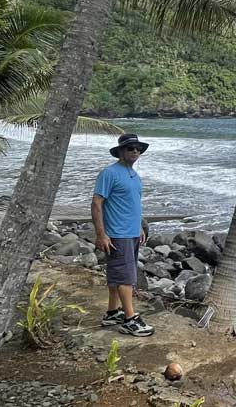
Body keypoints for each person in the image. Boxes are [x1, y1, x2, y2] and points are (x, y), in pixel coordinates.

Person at [91, 133, 155, 337]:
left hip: (131, 232)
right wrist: (101, 234)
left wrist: (140, 226)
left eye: (137, 148)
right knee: (126, 276)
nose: (135, 151)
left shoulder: (135, 176)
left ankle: (112, 313)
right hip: (117, 234)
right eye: (130, 148)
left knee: (116, 275)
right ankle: (130, 319)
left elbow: (132, 204)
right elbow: (96, 203)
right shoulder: (109, 173)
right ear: (120, 151)